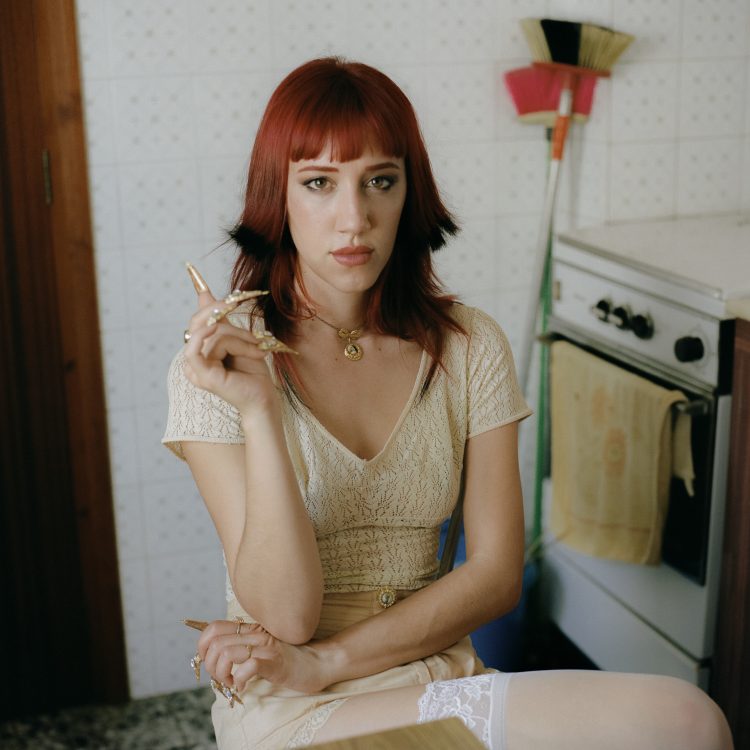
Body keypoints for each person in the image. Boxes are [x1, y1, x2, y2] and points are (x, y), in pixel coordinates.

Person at [162, 57, 733, 750]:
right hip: (289, 698)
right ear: (276, 196)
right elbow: (287, 617)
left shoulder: (469, 345)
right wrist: (259, 409)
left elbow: (495, 577)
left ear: (411, 192)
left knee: (690, 720)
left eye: (380, 180)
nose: (355, 218)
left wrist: (330, 661)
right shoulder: (222, 365)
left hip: (432, 671)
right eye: (318, 183)